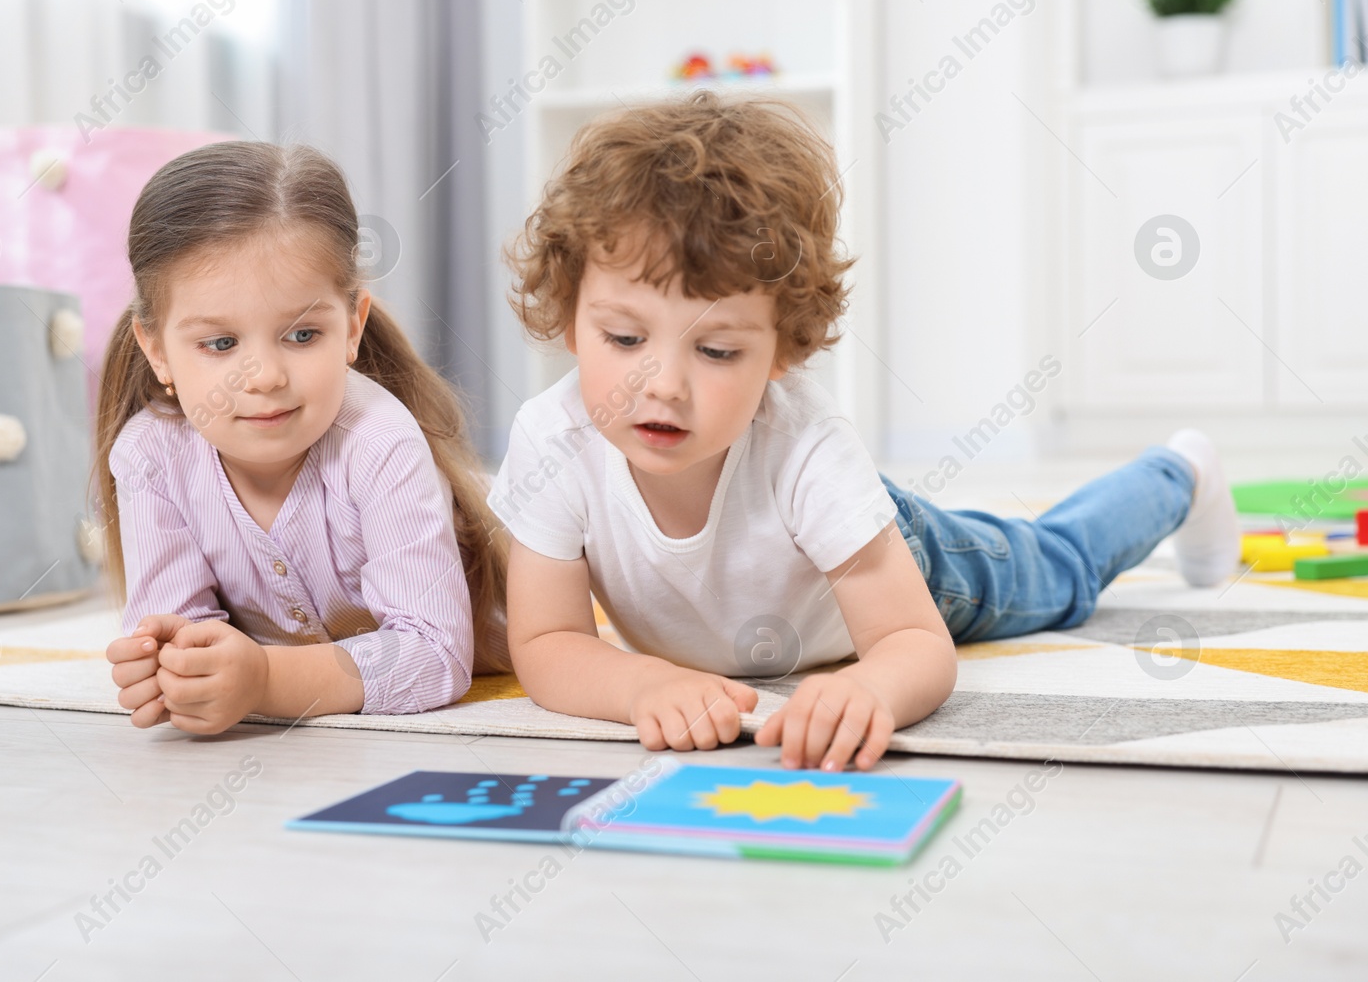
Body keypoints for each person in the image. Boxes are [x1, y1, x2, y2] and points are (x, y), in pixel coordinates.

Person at [490, 92, 1238, 771]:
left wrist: (870, 689)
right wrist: (643, 682)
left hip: (906, 551)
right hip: (813, 558)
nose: (661, 384)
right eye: (623, 338)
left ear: (785, 348)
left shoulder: (805, 445)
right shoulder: (551, 440)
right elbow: (549, 643)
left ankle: (1180, 473)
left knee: (1060, 570)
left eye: (716, 350)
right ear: (569, 314)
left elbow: (916, 643)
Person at [94, 142, 507, 735]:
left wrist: (265, 679)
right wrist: (172, 669)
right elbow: (176, 631)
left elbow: (436, 656)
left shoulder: (379, 440)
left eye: (302, 334)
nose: (264, 377)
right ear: (156, 349)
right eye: (220, 344)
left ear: (352, 326)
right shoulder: (150, 455)